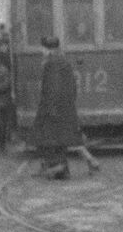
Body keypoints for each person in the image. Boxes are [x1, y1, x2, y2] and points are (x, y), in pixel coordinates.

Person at [32, 35, 90, 179]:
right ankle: (59, 169)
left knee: (49, 137)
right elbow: (72, 87)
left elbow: (54, 87)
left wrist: (51, 107)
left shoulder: (52, 63)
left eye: (43, 48)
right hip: (63, 106)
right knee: (59, 138)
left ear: (47, 49)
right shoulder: (62, 60)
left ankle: (57, 167)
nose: (42, 51)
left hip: (54, 107)